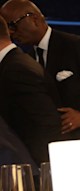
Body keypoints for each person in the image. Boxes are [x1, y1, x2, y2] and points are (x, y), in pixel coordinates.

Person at [0, 0, 80, 140]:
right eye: (7, 28)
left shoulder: (76, 46)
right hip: (67, 143)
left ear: (34, 19)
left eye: (12, 25)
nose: (11, 33)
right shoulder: (28, 59)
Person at [0, 14, 61, 164]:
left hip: (26, 170)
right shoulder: (14, 64)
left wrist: (40, 173)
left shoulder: (17, 68)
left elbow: (45, 124)